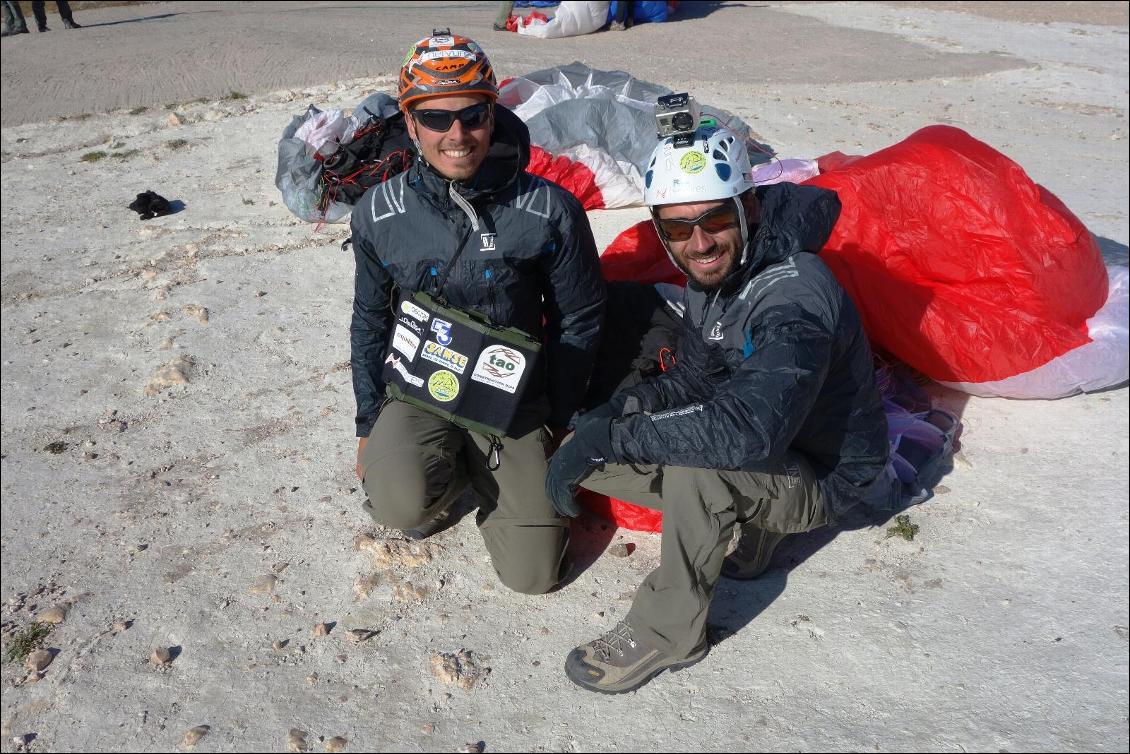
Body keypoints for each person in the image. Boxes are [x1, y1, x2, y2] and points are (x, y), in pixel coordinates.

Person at [546, 122, 892, 693]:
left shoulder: (792, 296)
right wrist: (618, 414)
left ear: (748, 207)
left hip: (825, 474)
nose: (699, 243)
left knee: (700, 468)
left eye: (715, 220)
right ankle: (757, 537)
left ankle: (669, 632)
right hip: (781, 444)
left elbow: (748, 431)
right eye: (678, 228)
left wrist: (615, 438)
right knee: (608, 434)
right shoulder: (718, 275)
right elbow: (691, 377)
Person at [351, 31, 606, 595]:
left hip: (512, 401)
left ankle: (487, 470)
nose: (457, 135)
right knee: (398, 502)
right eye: (436, 119)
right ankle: (448, 470)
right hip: (420, 389)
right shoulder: (379, 212)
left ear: (494, 114)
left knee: (535, 576)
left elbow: (580, 320)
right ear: (410, 122)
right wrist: (369, 424)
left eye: (472, 115)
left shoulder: (549, 209)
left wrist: (559, 419)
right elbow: (370, 320)